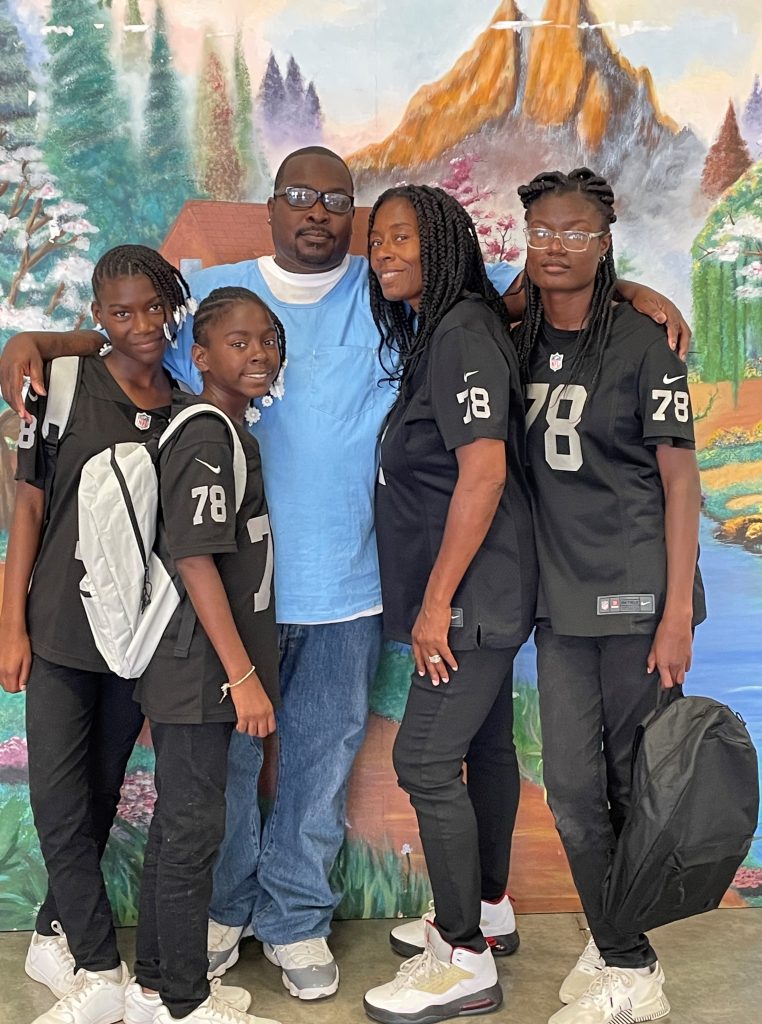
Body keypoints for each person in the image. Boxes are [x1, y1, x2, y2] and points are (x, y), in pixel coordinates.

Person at [0, 147, 692, 1002]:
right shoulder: (221, 286)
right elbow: (132, 331)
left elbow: (535, 278)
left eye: (338, 200)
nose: (319, 212)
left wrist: (634, 292)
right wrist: (37, 337)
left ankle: (295, 919)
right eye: (301, 196)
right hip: (229, 596)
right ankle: (221, 914)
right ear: (274, 206)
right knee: (220, 776)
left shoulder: (390, 286)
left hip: (347, 591)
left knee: (319, 769)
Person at [513, 168, 705, 1024]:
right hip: (559, 600)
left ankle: (633, 967)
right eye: (542, 232)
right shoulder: (511, 333)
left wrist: (672, 616)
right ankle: (615, 932)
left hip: (635, 597)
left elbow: (682, 484)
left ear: (604, 240)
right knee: (570, 787)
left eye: (575, 233)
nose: (556, 245)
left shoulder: (643, 344)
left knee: (632, 784)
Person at [0, 246, 190, 1023]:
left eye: (154, 308)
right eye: (121, 312)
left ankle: (54, 929)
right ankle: (101, 967)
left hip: (135, 637)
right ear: (96, 318)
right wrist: (10, 625)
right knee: (56, 796)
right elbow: (28, 510)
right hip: (58, 631)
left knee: (102, 791)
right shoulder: (66, 387)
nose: (140, 325)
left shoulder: (186, 407)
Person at [362, 184, 537, 1024]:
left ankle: (463, 957)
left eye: (400, 237)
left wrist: (435, 606)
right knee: (490, 747)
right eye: (377, 241)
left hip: (472, 598)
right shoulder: (453, 326)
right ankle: (490, 910)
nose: (383, 252)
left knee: (426, 763)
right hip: (485, 592)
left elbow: (485, 472)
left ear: (442, 241)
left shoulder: (463, 330)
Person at [128, 286, 284, 1024]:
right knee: (194, 830)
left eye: (269, 341)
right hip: (198, 667)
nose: (258, 353)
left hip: (200, 667)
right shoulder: (203, 432)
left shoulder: (227, 430)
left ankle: (157, 982)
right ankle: (185, 1004)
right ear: (201, 356)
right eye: (239, 342)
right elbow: (194, 559)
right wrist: (244, 677)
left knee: (177, 825)